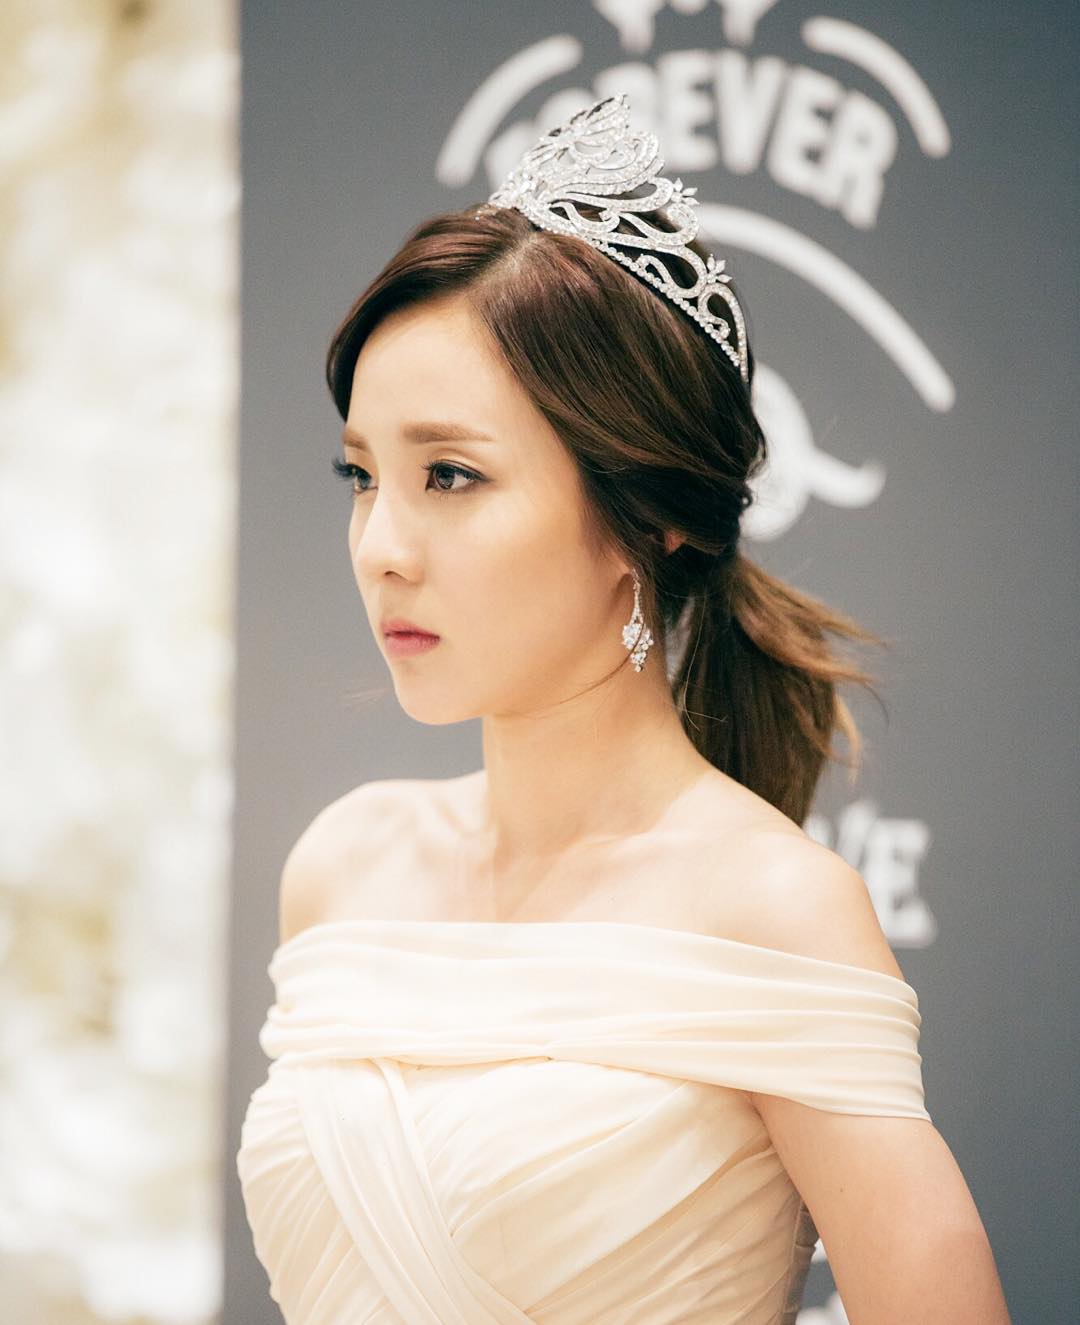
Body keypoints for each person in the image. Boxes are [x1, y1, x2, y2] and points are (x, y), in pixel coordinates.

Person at [236, 94, 1010, 1324]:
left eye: (450, 474)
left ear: (643, 517)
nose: (381, 545)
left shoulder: (773, 907)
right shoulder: (343, 865)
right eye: (362, 474)